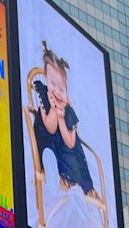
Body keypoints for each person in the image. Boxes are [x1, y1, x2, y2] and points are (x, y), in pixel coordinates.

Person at [33, 41, 98, 198]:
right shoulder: (44, 95)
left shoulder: (69, 111)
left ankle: (76, 189)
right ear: (46, 81)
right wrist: (54, 111)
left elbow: (70, 142)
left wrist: (62, 117)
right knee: (49, 150)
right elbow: (49, 127)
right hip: (48, 142)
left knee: (73, 158)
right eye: (51, 83)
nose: (55, 90)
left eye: (61, 88)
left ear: (66, 92)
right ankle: (52, 171)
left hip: (66, 152)